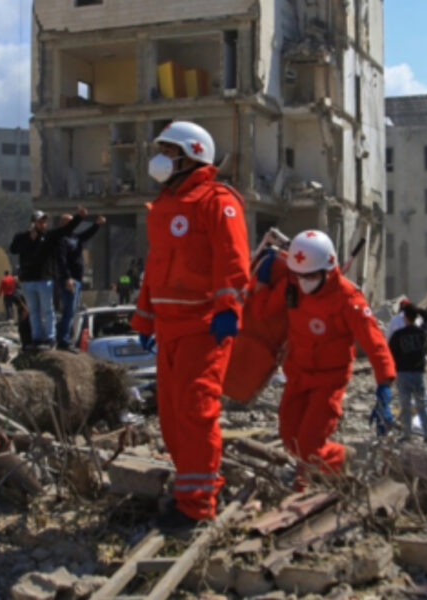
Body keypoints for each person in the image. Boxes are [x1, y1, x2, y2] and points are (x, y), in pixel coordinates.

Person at [130, 121, 250, 530]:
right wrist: (144, 317)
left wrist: (228, 307)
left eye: (168, 150)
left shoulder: (217, 201)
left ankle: (198, 506)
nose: (160, 158)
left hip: (203, 326)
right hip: (168, 329)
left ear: (192, 154)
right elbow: (155, 267)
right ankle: (189, 489)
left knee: (197, 412)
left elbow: (233, 259)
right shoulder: (165, 205)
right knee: (172, 415)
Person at [253, 230, 396, 487]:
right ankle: (313, 471)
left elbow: (374, 342)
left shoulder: (347, 298)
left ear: (328, 268)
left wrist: (384, 383)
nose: (305, 281)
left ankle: (338, 461)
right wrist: (261, 284)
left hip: (329, 379)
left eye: (310, 276)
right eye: (300, 275)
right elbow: (263, 312)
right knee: (289, 438)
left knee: (309, 442)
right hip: (297, 373)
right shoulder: (292, 285)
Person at [10, 207, 87, 348]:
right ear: (33, 223)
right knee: (33, 311)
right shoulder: (22, 237)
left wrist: (79, 217)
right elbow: (13, 249)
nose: (43, 224)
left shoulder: (49, 237)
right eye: (40, 221)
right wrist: (28, 238)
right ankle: (37, 338)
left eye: (45, 222)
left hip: (44, 279)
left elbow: (65, 229)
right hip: (27, 280)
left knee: (48, 310)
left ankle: (50, 338)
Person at [56, 214, 106, 351]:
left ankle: (68, 338)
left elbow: (86, 235)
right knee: (68, 311)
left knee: (73, 312)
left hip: (77, 280)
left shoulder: (75, 238)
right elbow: (62, 261)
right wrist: (67, 278)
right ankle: (63, 340)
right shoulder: (61, 239)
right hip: (69, 280)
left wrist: (97, 224)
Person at [388, 303, 427, 443]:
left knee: (405, 405)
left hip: (403, 373)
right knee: (423, 404)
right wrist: (419, 310)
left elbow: (390, 353)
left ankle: (407, 434)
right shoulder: (422, 333)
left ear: (405, 318)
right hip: (419, 373)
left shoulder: (397, 335)